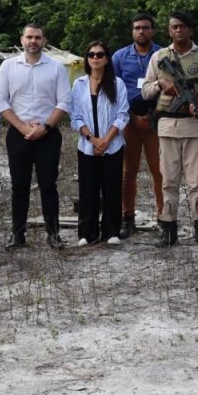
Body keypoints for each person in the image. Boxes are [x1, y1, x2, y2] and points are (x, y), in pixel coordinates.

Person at [141, 11, 198, 248]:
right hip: (167, 125)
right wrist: (160, 84)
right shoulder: (159, 57)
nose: (178, 30)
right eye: (173, 27)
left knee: (197, 180)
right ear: (169, 31)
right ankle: (168, 229)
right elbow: (145, 90)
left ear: (190, 30)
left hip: (194, 126)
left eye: (182, 27)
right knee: (168, 180)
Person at [0, 23, 71, 249]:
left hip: (48, 134)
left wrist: (45, 127)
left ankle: (53, 234)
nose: (33, 41)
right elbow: (0, 100)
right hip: (19, 134)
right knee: (19, 186)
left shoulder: (56, 68)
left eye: (37, 38)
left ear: (44, 41)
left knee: (49, 185)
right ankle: (17, 235)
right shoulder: (8, 66)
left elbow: (65, 101)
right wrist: (22, 127)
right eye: (29, 37)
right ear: (21, 40)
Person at [70, 40, 130, 246]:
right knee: (88, 190)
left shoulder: (117, 84)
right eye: (91, 54)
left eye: (100, 54)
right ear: (87, 59)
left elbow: (122, 115)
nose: (95, 58)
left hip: (112, 145)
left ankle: (111, 231)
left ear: (107, 59)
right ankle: (87, 233)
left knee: (112, 188)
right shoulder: (78, 85)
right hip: (87, 145)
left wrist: (105, 140)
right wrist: (92, 139)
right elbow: (76, 117)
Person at [112, 13, 164, 239]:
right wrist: (132, 117)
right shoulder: (120, 57)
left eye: (145, 28)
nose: (141, 32)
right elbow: (113, 90)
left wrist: (155, 114)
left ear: (153, 30)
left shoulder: (163, 55)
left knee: (160, 171)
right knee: (128, 172)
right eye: (136, 28)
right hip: (130, 120)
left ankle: (164, 217)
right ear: (132, 31)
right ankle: (127, 218)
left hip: (157, 119)